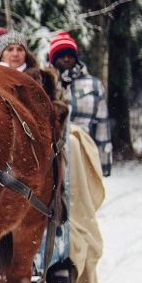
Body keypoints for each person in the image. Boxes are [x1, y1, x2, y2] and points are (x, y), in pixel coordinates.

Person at [47, 32, 112, 176]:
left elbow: (102, 124)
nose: (66, 59)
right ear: (53, 59)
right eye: (61, 55)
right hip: (50, 158)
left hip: (84, 152)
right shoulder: (44, 83)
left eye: (70, 55)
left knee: (80, 197)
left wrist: (104, 163)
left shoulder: (93, 85)